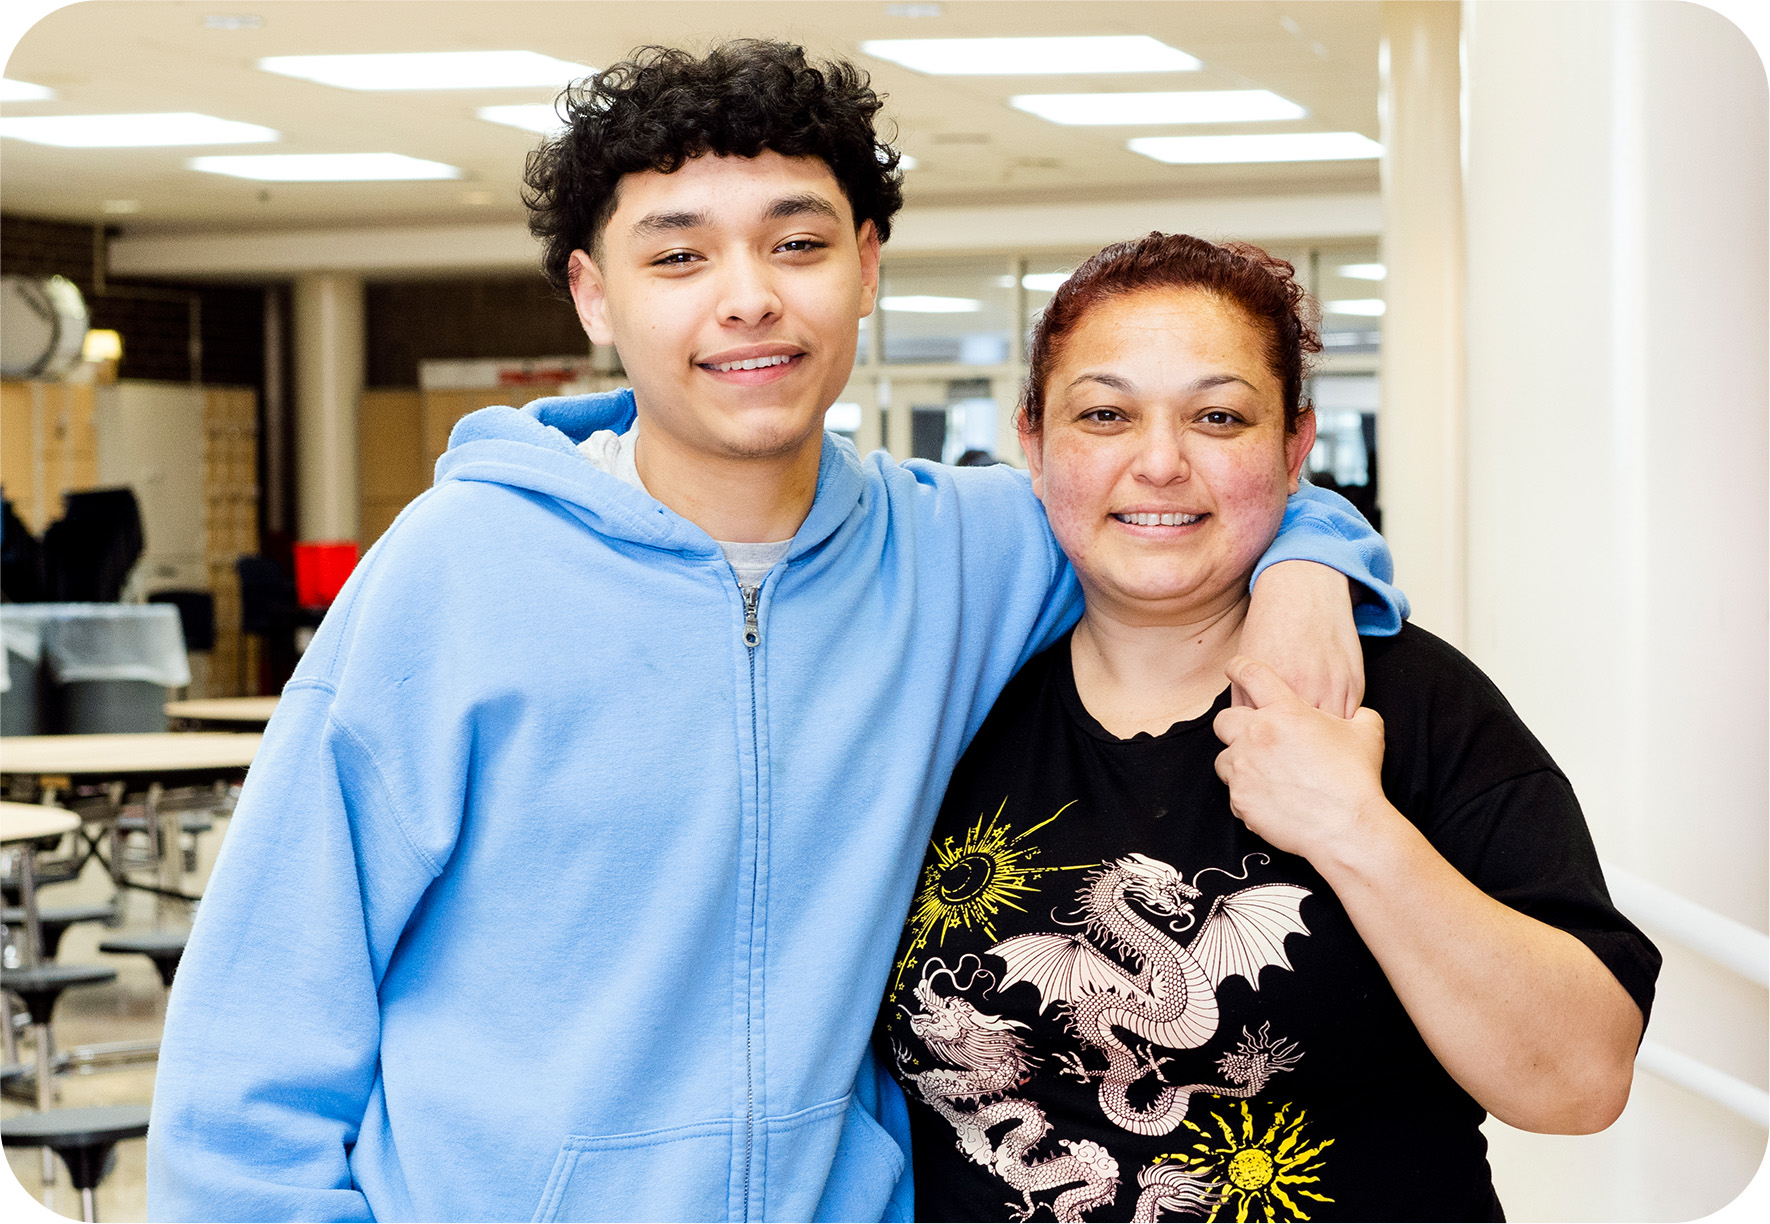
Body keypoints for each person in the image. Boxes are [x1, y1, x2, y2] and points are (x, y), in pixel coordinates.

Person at [148, 46, 1406, 1223]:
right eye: (678, 258)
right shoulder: (454, 573)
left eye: (796, 243)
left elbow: (1199, 494)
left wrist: (1307, 569)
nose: (748, 300)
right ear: (594, 294)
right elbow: (260, 1025)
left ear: (867, 265)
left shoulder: (966, 552)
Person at [876, 233, 1659, 1222]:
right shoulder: (950, 700)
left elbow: (1579, 1081)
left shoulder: (1409, 701)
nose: (1160, 462)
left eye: (1218, 416)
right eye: (1106, 414)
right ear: (1033, 443)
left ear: (1295, 449)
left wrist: (1353, 827)